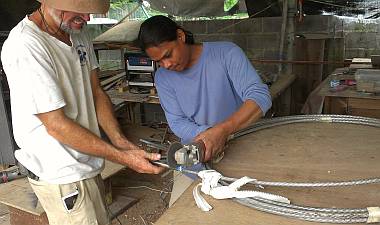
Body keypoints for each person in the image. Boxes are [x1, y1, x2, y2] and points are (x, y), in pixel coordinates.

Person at [1, 0, 163, 224]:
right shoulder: (25, 45)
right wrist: (123, 157)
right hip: (61, 175)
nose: (87, 20)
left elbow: (96, 92)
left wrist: (120, 141)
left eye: (89, 13)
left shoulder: (78, 33)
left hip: (86, 164)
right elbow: (56, 125)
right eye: (80, 14)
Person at [138, 15, 272, 162]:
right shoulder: (162, 77)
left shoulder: (226, 53)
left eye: (168, 55)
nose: (167, 65)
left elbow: (259, 97)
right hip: (199, 154)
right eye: (159, 62)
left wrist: (223, 131)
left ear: (180, 36)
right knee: (192, 178)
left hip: (241, 147)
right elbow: (177, 121)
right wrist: (208, 135)